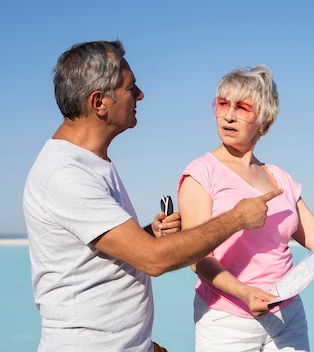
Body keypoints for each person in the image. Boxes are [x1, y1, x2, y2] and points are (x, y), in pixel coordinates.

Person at [23, 40, 282, 352]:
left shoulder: (93, 163)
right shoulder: (66, 175)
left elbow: (105, 253)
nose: (140, 94)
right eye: (131, 87)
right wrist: (237, 219)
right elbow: (153, 260)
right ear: (99, 102)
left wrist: (149, 233)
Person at [177, 65, 314, 352]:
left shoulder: (280, 178)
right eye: (223, 104)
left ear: (263, 121)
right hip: (227, 319)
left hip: (288, 316)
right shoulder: (201, 173)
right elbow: (196, 258)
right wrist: (246, 293)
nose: (228, 115)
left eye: (242, 107)